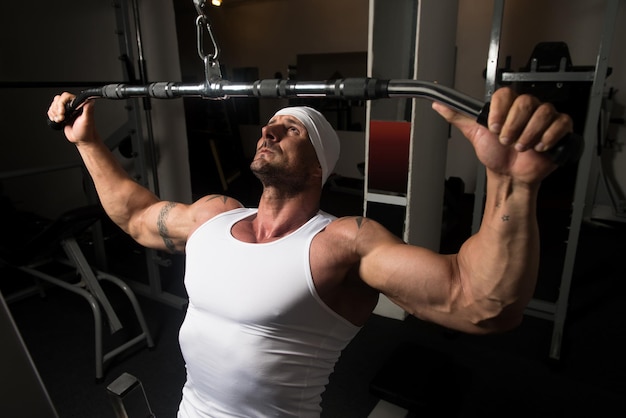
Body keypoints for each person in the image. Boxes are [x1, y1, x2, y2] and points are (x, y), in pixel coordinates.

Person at [48, 87, 572, 417]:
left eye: (291, 128)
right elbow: (137, 217)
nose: (269, 129)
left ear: (319, 163)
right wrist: (88, 143)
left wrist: (510, 184)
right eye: (270, 123)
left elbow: (481, 302)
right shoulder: (214, 214)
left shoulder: (344, 242)